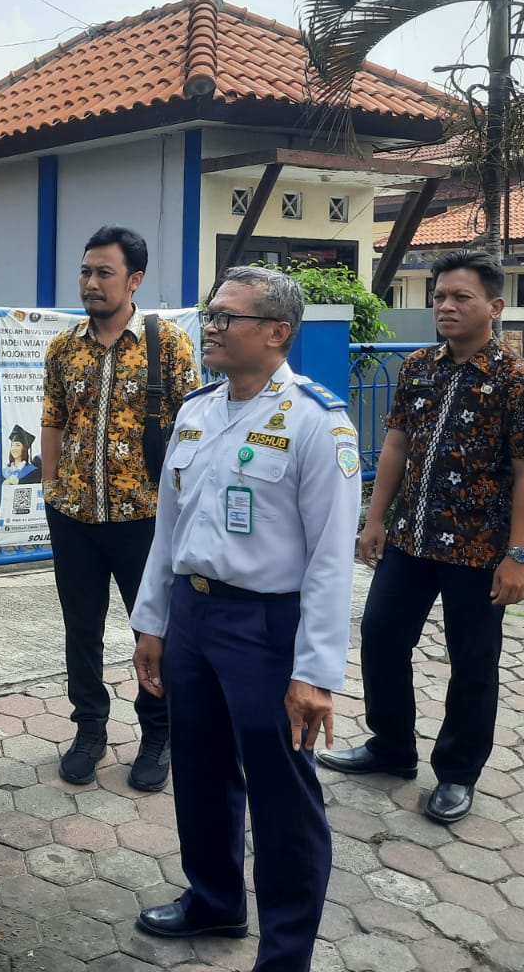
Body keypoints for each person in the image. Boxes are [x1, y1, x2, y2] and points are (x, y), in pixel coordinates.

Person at [131, 265, 359, 972]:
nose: (213, 326)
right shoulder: (197, 409)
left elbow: (331, 557)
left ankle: (286, 952)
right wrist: (152, 623)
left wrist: (316, 672)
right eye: (211, 314)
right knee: (199, 769)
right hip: (194, 617)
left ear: (277, 332)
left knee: (282, 792)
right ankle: (215, 899)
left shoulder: (320, 423)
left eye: (230, 317)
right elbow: (168, 528)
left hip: (267, 629)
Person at [318, 249, 524, 825]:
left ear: (494, 307)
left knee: (472, 661)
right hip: (411, 540)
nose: (445, 306)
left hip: (478, 549)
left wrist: (518, 556)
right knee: (379, 636)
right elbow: (395, 445)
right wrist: (375, 520)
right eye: (439, 296)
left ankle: (457, 773)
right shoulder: (419, 365)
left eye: (460, 297)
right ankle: (391, 747)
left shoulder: (519, 383)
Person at [41, 225, 198, 790]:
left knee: (152, 630)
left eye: (104, 273)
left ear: (134, 280)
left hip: (146, 520)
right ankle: (89, 728)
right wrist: (53, 491)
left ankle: (158, 733)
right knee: (80, 629)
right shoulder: (63, 347)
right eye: (85, 271)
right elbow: (53, 418)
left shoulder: (169, 344)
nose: (90, 282)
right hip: (75, 517)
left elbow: (193, 431)